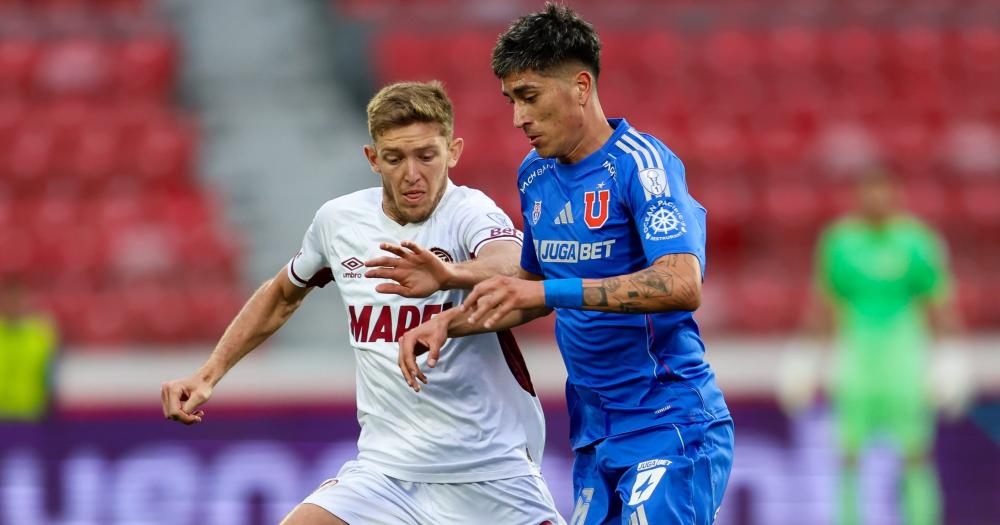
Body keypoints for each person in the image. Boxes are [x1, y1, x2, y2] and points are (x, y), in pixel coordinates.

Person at [161, 81, 564, 525]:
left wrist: (450, 276)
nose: (412, 173)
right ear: (373, 159)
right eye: (395, 158)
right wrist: (207, 374)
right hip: (386, 474)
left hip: (489, 473)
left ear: (453, 151)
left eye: (426, 155)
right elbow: (281, 295)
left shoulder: (470, 212)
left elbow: (515, 266)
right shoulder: (339, 222)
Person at [392, 5, 733, 524]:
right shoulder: (535, 175)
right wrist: (448, 322)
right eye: (510, 100)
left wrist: (550, 293)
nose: (517, 118)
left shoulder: (643, 165)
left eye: (529, 97)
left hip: (669, 423)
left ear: (580, 86)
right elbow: (528, 284)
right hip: (595, 434)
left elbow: (682, 283)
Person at [812, 168, 957, 525]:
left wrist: (950, 357)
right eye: (869, 191)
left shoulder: (917, 241)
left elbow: (937, 303)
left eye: (883, 191)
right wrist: (810, 357)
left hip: (904, 358)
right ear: (859, 195)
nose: (875, 200)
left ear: (895, 194)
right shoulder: (840, 242)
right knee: (848, 453)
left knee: (915, 453)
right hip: (857, 358)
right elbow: (827, 304)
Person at [0, 280, 58, 421]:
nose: (14, 305)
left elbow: (50, 374)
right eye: (10, 300)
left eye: (18, 300)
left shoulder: (41, 334)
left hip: (32, 413)